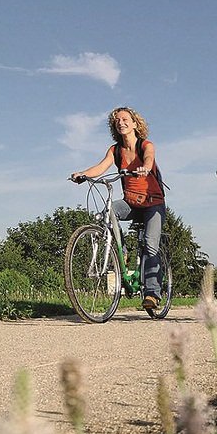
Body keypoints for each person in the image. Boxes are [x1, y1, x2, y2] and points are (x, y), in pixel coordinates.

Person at [71, 107, 166, 309]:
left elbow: (149, 158)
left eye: (124, 119)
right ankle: (120, 254)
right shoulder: (115, 150)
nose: (120, 122)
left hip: (153, 203)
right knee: (108, 211)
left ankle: (152, 294)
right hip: (131, 202)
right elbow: (101, 166)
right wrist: (83, 174)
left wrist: (145, 168)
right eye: (117, 121)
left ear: (134, 123)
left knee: (150, 245)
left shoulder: (145, 145)